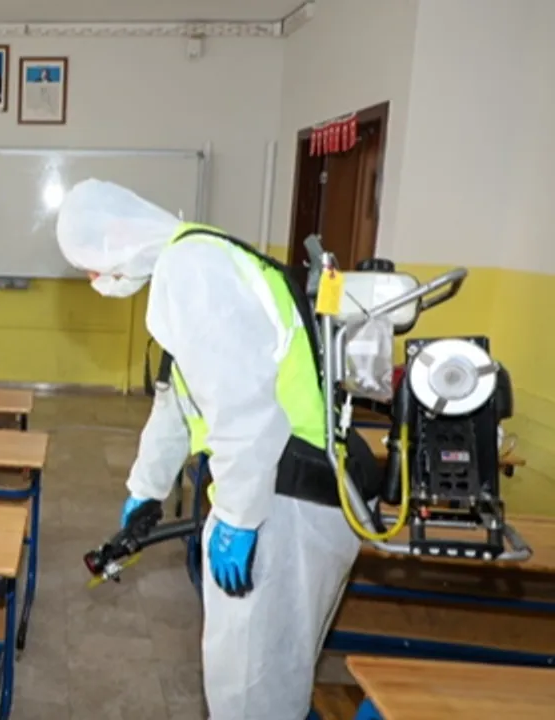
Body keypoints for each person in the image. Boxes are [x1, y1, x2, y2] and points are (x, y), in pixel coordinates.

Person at [54, 179, 360, 720]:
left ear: (118, 235)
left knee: (253, 693)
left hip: (284, 502)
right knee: (254, 683)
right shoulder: (198, 257)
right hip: (278, 489)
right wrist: (146, 490)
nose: (93, 280)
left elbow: (247, 410)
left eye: (91, 265)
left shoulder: (191, 272)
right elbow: (179, 402)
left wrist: (239, 519)